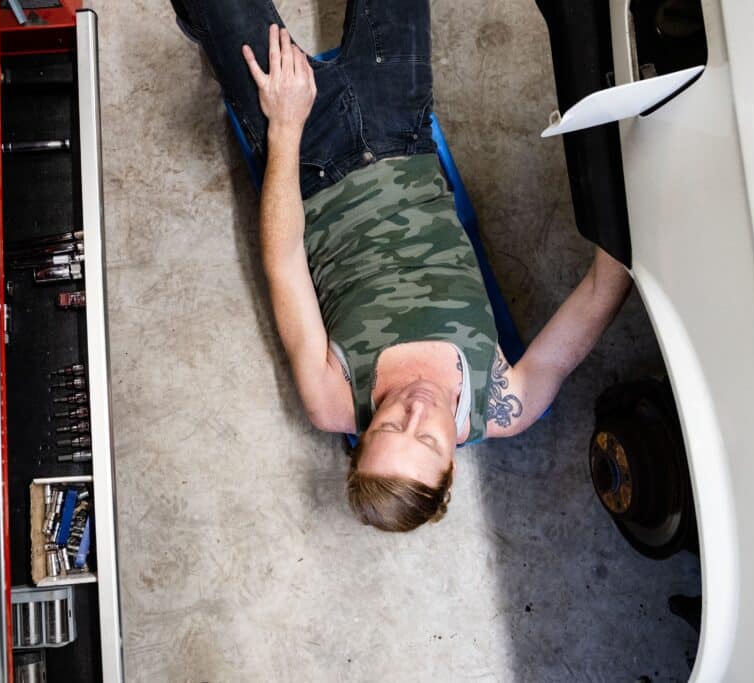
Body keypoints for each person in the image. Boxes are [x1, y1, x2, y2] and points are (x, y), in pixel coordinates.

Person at [170, 1, 633, 532]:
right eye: (428, 438)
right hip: (403, 130)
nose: (414, 409)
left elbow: (283, 260)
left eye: (390, 426)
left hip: (308, 161)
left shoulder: (332, 400)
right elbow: (603, 286)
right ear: (452, 462)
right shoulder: (507, 402)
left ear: (363, 435)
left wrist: (286, 127)